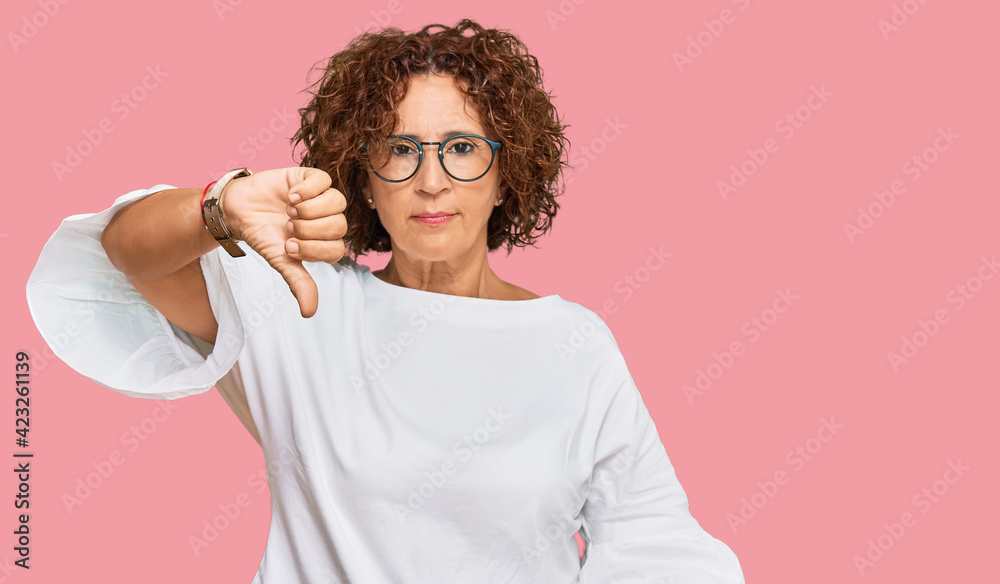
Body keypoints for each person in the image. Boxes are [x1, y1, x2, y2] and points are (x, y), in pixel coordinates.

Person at [26, 19, 745, 584]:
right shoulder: (302, 307)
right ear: (364, 179)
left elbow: (656, 546)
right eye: (399, 151)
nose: (431, 181)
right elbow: (122, 254)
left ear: (507, 172)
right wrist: (222, 205)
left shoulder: (574, 344)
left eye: (462, 149)